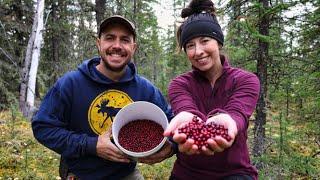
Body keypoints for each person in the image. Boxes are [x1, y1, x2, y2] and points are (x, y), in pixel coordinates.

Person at [32, 15, 174, 180]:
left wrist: (172, 146)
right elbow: (42, 127)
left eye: (125, 40)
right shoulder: (70, 84)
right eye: (110, 38)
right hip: (81, 174)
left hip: (126, 173)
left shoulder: (145, 90)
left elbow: (172, 122)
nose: (117, 46)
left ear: (134, 47)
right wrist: (91, 145)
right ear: (98, 43)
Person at [163, 0, 260, 179]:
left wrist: (226, 120)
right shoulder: (179, 84)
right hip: (187, 173)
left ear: (218, 42)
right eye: (190, 45)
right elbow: (186, 110)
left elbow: (237, 114)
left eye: (204, 41)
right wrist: (191, 120)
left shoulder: (246, 80)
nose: (198, 51)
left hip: (234, 172)